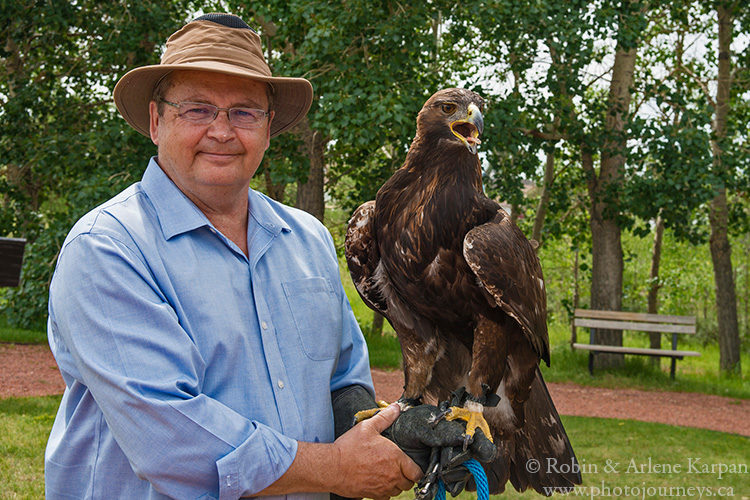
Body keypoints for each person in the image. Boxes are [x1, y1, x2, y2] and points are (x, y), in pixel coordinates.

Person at [45, 13, 423, 500]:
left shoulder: (306, 238)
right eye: (198, 109)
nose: (222, 131)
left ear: (268, 128)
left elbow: (342, 378)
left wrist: (389, 433)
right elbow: (170, 441)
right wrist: (337, 469)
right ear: (157, 121)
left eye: (244, 112)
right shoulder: (108, 248)